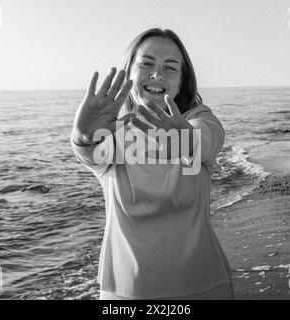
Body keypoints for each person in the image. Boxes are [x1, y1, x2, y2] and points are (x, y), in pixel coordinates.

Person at [71, 28, 233, 300]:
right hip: (124, 293)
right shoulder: (113, 136)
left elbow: (209, 138)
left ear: (181, 83)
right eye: (146, 63)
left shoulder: (198, 119)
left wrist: (185, 142)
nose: (157, 74)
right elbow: (88, 151)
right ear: (129, 73)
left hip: (203, 288)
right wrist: (83, 135)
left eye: (170, 68)